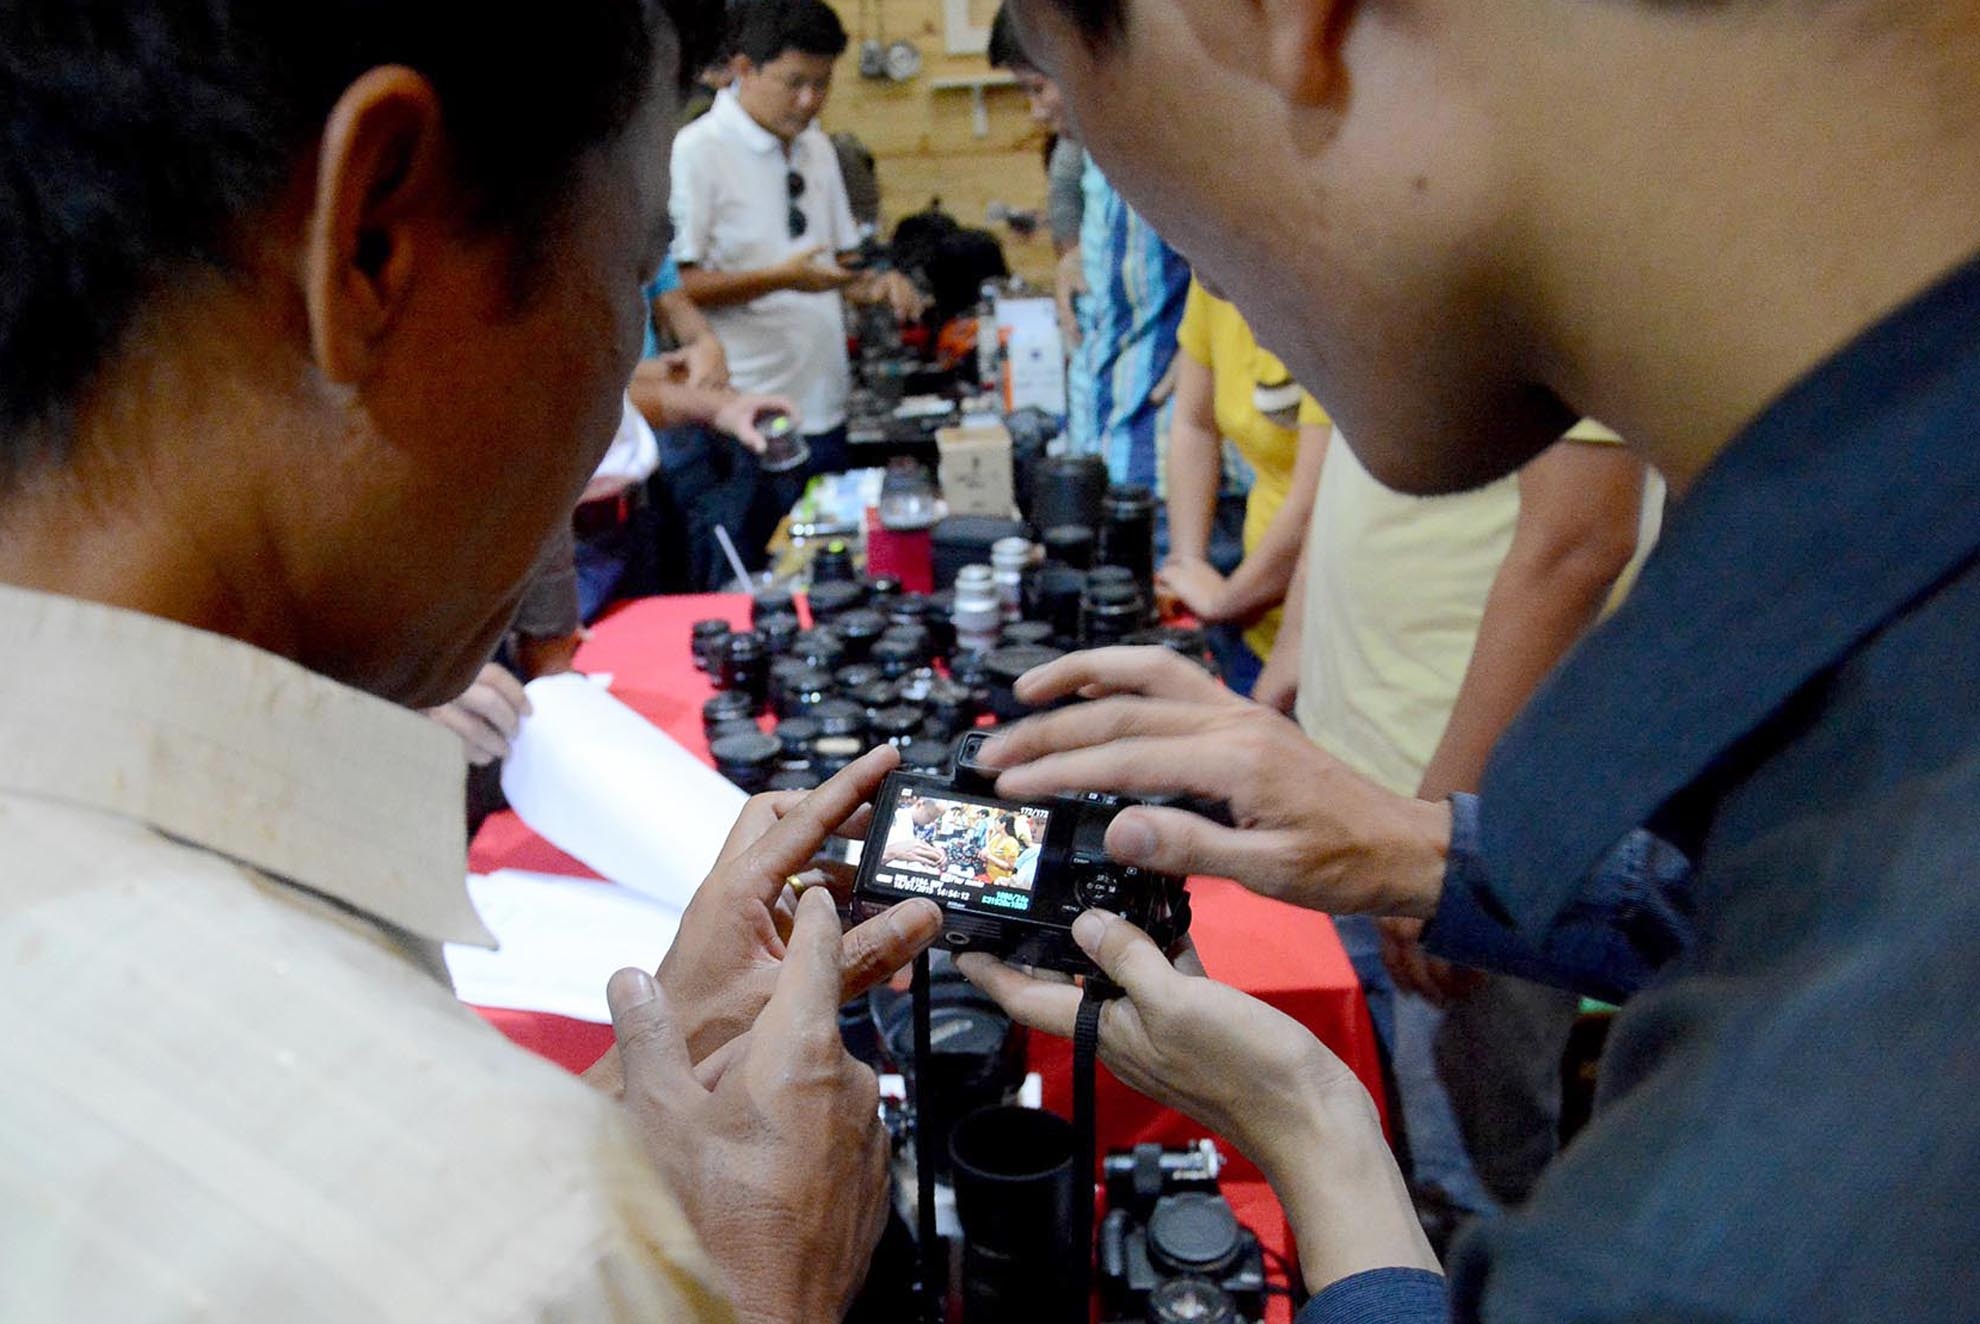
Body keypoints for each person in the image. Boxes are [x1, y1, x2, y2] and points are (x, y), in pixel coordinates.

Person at [963, 0, 1980, 1319]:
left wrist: (1317, 1128)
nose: (1202, 280)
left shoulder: (1758, 1194)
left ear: (1279, 19)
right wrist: (1432, 854)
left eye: (1086, 104)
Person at [0, 3, 944, 1318]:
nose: (612, 408)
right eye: (630, 277)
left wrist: (646, 1073)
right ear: (374, 243)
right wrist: (757, 1284)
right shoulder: (529, 1250)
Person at [668, 0, 927, 565]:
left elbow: (835, 267)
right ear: (744, 68)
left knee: (830, 572)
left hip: (825, 407)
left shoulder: (818, 147)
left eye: (822, 84)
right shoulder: (697, 151)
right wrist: (782, 278)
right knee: (752, 577)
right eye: (794, 83)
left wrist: (875, 284)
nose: (810, 100)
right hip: (745, 418)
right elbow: (677, 285)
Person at [987, 3, 1192, 524]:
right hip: (1110, 455)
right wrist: (1072, 253)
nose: (1036, 112)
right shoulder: (1091, 149)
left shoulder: (1171, 148)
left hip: (1166, 473)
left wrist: (1214, 339)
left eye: (1039, 88)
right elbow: (1063, 181)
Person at [1160, 277, 1331, 694]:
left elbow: (1317, 502)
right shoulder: (1213, 277)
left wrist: (1224, 602)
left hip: (1325, 637)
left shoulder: (1329, 302)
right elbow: (1195, 425)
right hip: (1258, 626)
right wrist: (1187, 564)